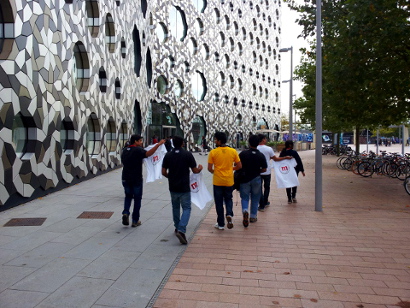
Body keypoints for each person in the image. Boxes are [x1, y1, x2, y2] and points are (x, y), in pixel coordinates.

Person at [162, 136, 203, 245]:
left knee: (175, 207)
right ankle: (181, 229)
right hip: (184, 186)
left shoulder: (168, 155)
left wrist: (170, 177)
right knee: (186, 208)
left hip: (173, 186)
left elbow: (163, 171)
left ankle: (177, 227)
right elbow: (195, 171)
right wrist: (200, 168)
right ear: (182, 144)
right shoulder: (187, 154)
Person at [121, 134, 165, 227]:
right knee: (137, 198)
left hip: (125, 177)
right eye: (140, 141)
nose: (141, 143)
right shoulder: (138, 150)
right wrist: (158, 145)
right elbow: (148, 154)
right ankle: (135, 220)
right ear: (135, 141)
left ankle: (125, 212)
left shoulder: (125, 150)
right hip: (136, 178)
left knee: (128, 196)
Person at [208, 132, 242, 230]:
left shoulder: (213, 152)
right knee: (228, 199)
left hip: (218, 181)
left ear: (219, 141)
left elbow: (209, 168)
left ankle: (221, 224)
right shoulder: (233, 151)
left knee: (218, 202)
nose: (215, 141)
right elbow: (239, 166)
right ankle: (229, 214)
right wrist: (231, 169)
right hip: (229, 180)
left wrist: (215, 171)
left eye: (215, 139)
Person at [257, 134, 292, 212]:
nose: (266, 140)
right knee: (267, 187)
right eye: (265, 139)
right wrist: (285, 157)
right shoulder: (268, 149)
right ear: (263, 139)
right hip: (267, 171)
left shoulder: (255, 148)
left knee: (259, 188)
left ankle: (261, 203)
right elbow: (275, 159)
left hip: (257, 172)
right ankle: (265, 201)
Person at [238, 135, 267, 227]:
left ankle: (245, 211)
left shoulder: (243, 154)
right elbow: (264, 169)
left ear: (249, 143)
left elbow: (238, 165)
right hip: (256, 178)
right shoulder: (260, 155)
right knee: (255, 197)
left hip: (244, 178)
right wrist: (258, 171)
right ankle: (253, 216)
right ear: (258, 143)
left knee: (245, 197)